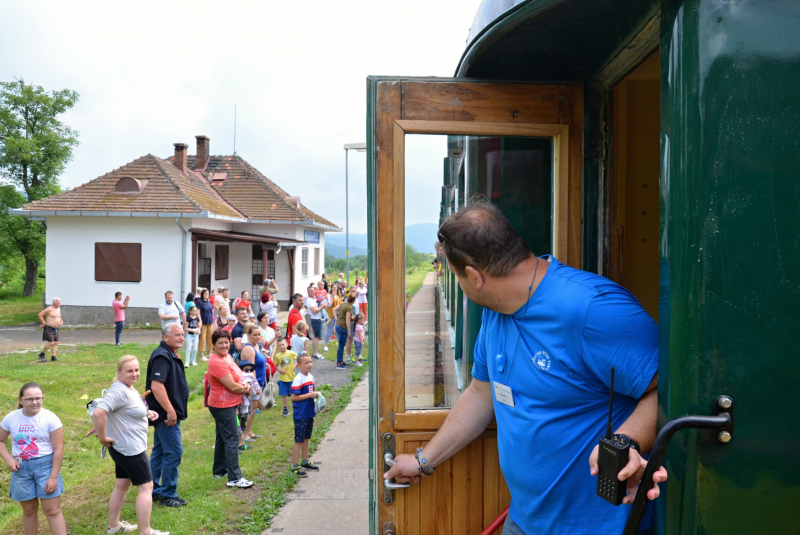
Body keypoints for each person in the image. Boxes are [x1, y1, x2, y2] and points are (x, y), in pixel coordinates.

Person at [383, 201, 667, 535]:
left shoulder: (593, 310)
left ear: (474, 277)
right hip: (524, 520)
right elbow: (481, 394)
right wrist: (423, 460)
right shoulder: (496, 308)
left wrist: (627, 441)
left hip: (597, 526)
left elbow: (666, 389)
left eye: (456, 275)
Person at [92, 356, 169, 535]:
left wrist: (146, 413)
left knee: (122, 484)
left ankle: (113, 526)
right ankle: (146, 531)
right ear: (118, 373)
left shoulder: (128, 388)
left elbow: (127, 409)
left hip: (123, 447)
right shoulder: (118, 391)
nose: (134, 374)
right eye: (129, 371)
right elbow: (98, 413)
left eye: (136, 370)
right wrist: (102, 438)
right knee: (146, 487)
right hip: (129, 449)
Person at [0, 382, 67, 535]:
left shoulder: (50, 418)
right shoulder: (11, 418)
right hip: (21, 469)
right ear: (20, 400)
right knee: (29, 510)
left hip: (45, 467)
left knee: (52, 510)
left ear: (43, 398)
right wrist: (9, 460)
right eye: (29, 399)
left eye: (38, 398)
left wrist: (53, 477)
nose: (34, 402)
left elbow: (58, 449)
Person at [145, 324, 189, 508]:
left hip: (166, 414)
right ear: (165, 337)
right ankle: (168, 494)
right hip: (166, 415)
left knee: (160, 451)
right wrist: (170, 411)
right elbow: (156, 386)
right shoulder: (162, 356)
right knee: (173, 452)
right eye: (177, 335)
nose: (182, 338)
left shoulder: (169, 354)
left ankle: (152, 489)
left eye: (182, 335)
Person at [206, 330, 253, 488]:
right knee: (232, 440)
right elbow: (232, 386)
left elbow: (238, 376)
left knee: (222, 437)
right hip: (222, 405)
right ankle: (234, 478)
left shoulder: (227, 357)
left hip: (228, 404)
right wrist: (245, 388)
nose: (225, 345)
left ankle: (219, 471)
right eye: (220, 343)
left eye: (227, 342)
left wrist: (245, 383)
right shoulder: (216, 362)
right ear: (213, 345)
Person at [289, 354, 320, 478]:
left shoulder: (310, 377)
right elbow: (294, 397)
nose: (309, 365)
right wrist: (310, 395)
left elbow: (311, 394)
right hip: (300, 414)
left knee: (306, 437)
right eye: (306, 363)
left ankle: (305, 461)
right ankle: (295, 466)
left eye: (311, 362)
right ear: (299, 365)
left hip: (308, 412)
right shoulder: (298, 379)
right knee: (299, 440)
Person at [236, 357, 262, 442]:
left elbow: (255, 389)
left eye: (251, 370)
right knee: (238, 422)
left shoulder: (251, 378)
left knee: (244, 420)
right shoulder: (240, 378)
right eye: (246, 370)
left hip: (246, 401)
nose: (249, 372)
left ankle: (242, 440)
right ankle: (240, 441)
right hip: (239, 403)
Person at [274, 338, 298, 418]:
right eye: (280, 345)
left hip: (291, 377)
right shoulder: (278, 356)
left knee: (293, 394)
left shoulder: (291, 353)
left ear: (287, 345)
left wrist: (294, 366)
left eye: (283, 345)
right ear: (278, 347)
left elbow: (298, 358)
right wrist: (280, 370)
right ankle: (285, 408)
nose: (282, 346)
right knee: (284, 394)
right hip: (283, 378)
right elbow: (276, 365)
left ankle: (296, 407)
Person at [333, 292, 356, 370]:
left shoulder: (343, 304)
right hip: (343, 327)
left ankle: (341, 361)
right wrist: (349, 331)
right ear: (353, 301)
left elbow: (334, 309)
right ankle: (339, 363)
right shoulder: (349, 307)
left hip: (338, 325)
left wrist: (336, 319)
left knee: (341, 345)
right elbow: (347, 320)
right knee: (341, 346)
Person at [37, 298, 63, 363]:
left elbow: (59, 316)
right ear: (54, 302)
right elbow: (40, 314)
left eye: (60, 302)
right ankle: (42, 354)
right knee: (51, 342)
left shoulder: (58, 309)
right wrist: (44, 323)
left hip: (56, 328)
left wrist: (61, 321)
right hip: (49, 328)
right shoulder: (49, 309)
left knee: (56, 342)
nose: (59, 303)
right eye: (58, 302)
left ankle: (53, 357)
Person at [304, 286, 325, 359]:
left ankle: (315, 352)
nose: (312, 292)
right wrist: (322, 307)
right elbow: (314, 311)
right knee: (316, 337)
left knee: (318, 336)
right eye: (310, 291)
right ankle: (314, 354)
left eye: (313, 290)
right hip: (315, 319)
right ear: (308, 292)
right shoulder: (309, 300)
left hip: (319, 318)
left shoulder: (315, 298)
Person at [196, 289, 215, 361]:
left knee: (210, 338)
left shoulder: (209, 301)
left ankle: (208, 353)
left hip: (210, 321)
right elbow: (198, 312)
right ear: (202, 294)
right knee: (202, 338)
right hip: (203, 322)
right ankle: (201, 355)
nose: (206, 294)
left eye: (207, 293)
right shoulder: (199, 302)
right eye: (205, 293)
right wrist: (200, 321)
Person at [323, 282, 341, 350]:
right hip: (330, 314)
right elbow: (329, 304)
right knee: (329, 329)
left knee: (338, 330)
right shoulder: (328, 295)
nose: (334, 288)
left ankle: (339, 344)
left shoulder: (339, 296)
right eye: (333, 287)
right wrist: (332, 296)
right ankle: (325, 345)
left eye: (336, 287)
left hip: (337, 314)